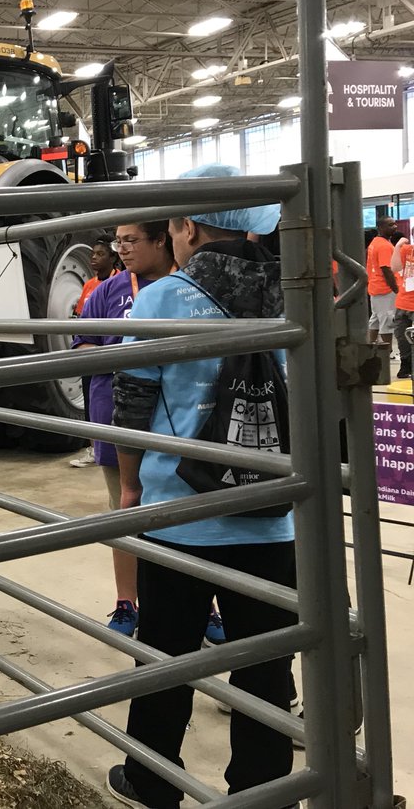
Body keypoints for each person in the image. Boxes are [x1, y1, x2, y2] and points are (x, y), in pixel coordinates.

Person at [105, 199, 294, 809]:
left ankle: (152, 781)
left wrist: (131, 487)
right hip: (273, 513)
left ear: (187, 228)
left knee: (166, 656)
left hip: (180, 515)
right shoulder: (294, 295)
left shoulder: (162, 298)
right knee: (265, 665)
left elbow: (133, 404)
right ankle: (265, 792)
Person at [72, 222, 175, 637]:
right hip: (115, 413)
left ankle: (199, 604)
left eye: (131, 240)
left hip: (174, 417)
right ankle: (126, 602)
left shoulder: (184, 288)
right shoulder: (107, 291)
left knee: (181, 513)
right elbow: (81, 344)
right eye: (119, 242)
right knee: (124, 509)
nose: (122, 249)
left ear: (161, 240)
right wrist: (125, 355)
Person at [70, 236, 120, 469]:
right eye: (92, 254)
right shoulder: (89, 285)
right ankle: (93, 449)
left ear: (112, 257)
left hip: (110, 352)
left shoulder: (119, 283)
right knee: (92, 401)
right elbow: (81, 316)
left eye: (100, 254)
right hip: (90, 351)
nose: (94, 258)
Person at [366, 215, 400, 349]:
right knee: (387, 320)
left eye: (395, 223)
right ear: (380, 228)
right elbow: (386, 269)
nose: (395, 227)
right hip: (385, 289)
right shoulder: (384, 246)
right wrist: (395, 288)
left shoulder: (375, 242)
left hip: (375, 287)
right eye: (390, 225)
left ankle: (370, 347)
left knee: (375, 319)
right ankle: (387, 351)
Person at [391, 233, 413, 379]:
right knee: (401, 336)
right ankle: (405, 364)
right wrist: (398, 246)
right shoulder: (407, 250)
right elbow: (394, 267)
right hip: (403, 302)